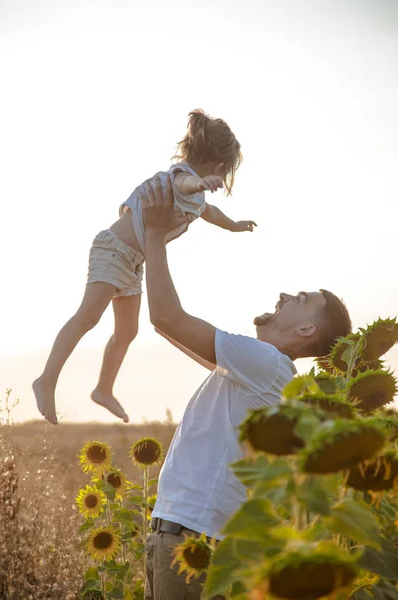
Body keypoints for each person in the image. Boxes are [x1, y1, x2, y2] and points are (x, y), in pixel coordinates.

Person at [140, 176, 352, 600]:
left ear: (306, 328)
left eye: (300, 297)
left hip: (190, 539)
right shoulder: (254, 372)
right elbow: (170, 329)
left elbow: (167, 318)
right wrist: (127, 270)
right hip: (182, 534)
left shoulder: (268, 365)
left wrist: (152, 233)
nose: (284, 294)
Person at [33, 109, 256, 425]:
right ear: (218, 164)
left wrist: (233, 225)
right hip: (113, 250)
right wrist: (201, 181)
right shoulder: (180, 178)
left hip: (134, 262)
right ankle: (47, 379)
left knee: (127, 331)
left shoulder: (196, 198)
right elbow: (188, 183)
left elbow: (211, 212)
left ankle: (103, 389)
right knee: (88, 316)